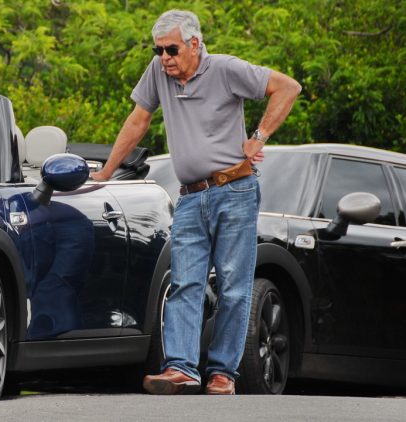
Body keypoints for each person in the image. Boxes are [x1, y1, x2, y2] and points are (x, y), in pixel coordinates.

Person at [91, 10, 301, 395]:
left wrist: (259, 136)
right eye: (158, 50)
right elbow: (138, 120)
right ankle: (181, 368)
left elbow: (288, 87)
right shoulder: (159, 73)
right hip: (189, 197)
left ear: (194, 44)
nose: (164, 57)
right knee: (184, 283)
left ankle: (222, 374)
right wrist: (106, 171)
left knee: (234, 286)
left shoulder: (226, 69)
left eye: (171, 49)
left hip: (235, 192)